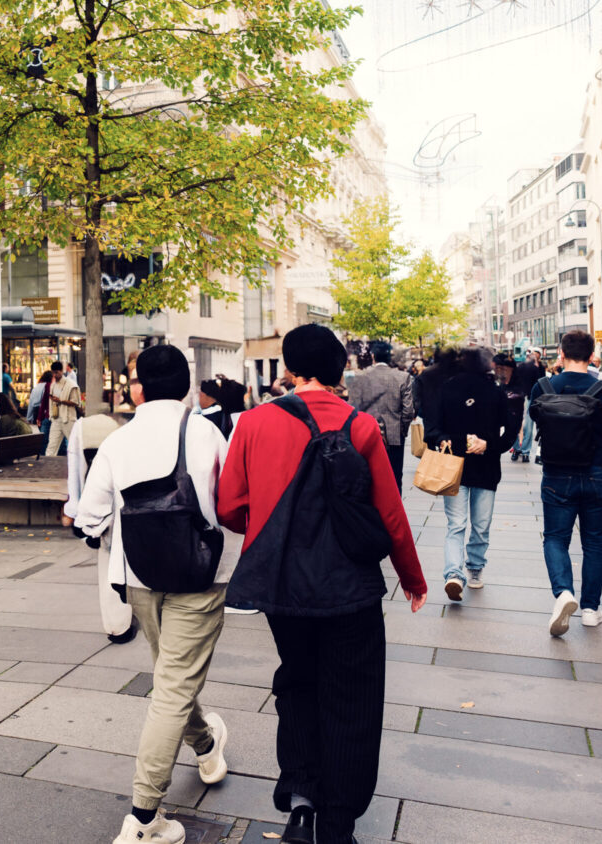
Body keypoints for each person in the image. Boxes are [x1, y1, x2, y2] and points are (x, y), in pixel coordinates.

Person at [218, 324, 426, 844]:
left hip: (282, 586)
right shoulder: (359, 426)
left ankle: (302, 795)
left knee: (298, 681)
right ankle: (338, 822)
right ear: (338, 371)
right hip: (348, 587)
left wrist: (270, 523)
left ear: (288, 368)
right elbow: (390, 513)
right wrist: (412, 579)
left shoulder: (252, 423)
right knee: (352, 697)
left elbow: (229, 507)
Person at [75, 344, 232, 844]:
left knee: (171, 679)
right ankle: (143, 819)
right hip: (201, 577)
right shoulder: (207, 431)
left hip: (140, 578)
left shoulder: (120, 440)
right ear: (186, 385)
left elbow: (89, 516)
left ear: (137, 386)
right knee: (172, 688)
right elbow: (232, 506)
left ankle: (206, 747)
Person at [529, 331, 602, 635]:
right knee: (595, 542)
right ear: (591, 356)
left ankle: (563, 593)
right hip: (598, 474)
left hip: (557, 475)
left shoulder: (543, 387)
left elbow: (538, 422)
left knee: (555, 539)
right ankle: (590, 609)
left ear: (560, 353)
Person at [425, 347, 522, 601]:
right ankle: (468, 570)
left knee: (457, 525)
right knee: (480, 525)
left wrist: (450, 440)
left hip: (456, 467)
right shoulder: (493, 391)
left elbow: (431, 429)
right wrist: (490, 446)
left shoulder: (448, 389)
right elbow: (511, 430)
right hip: (483, 467)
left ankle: (457, 573)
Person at [63, 387, 136, 644]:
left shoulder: (86, 427)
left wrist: (77, 513)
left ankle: (119, 625)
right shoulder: (143, 422)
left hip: (109, 513)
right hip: (146, 509)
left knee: (110, 565)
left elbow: (77, 472)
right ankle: (128, 619)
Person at [348, 340, 416, 488]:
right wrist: (401, 430)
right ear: (389, 358)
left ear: (373, 356)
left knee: (368, 477)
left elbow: (353, 408)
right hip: (394, 435)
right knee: (394, 477)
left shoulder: (359, 377)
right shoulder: (402, 377)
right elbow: (408, 410)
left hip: (366, 435)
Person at [505, 350, 544, 462]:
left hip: (517, 397)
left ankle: (517, 449)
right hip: (529, 397)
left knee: (515, 424)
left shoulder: (516, 367)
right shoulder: (535, 368)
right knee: (528, 425)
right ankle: (525, 452)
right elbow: (540, 382)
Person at [46, 361, 84, 457]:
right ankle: (48, 468)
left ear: (62, 371)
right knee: (51, 447)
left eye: (56, 373)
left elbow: (76, 402)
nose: (55, 375)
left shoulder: (71, 384)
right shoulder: (53, 385)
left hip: (68, 418)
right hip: (56, 418)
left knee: (75, 445)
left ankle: (81, 464)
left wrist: (61, 401)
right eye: (53, 373)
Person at [27, 369, 52, 437]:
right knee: (47, 435)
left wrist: (29, 417)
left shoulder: (36, 387)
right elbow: (45, 401)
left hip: (36, 412)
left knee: (42, 433)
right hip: (44, 412)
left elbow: (31, 403)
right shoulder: (48, 387)